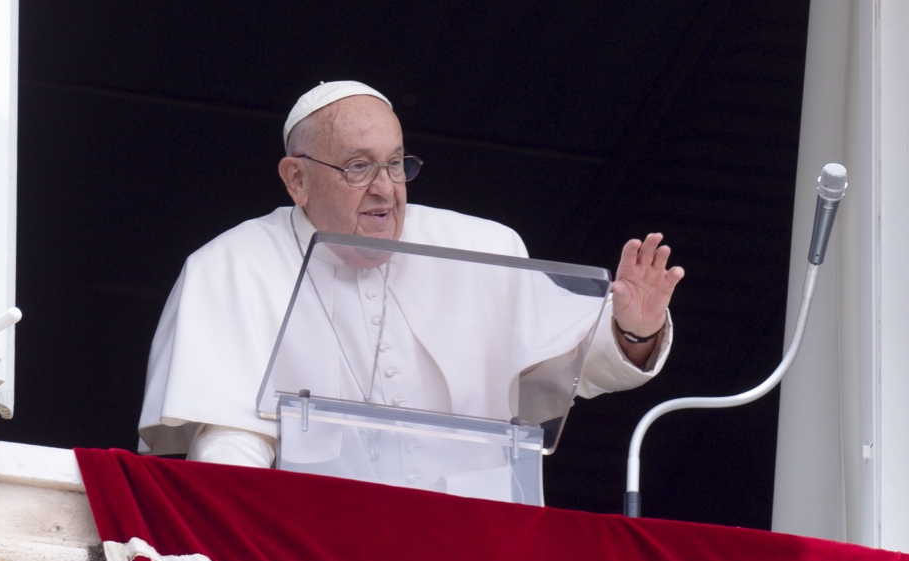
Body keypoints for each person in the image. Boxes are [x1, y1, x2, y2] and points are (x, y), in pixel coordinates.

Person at [137, 81, 684, 471]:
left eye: (396, 164)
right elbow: (230, 443)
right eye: (358, 166)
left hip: (470, 542)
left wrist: (631, 330)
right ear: (297, 180)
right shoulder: (232, 266)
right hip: (314, 547)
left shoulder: (481, 247)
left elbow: (570, 368)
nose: (385, 189)